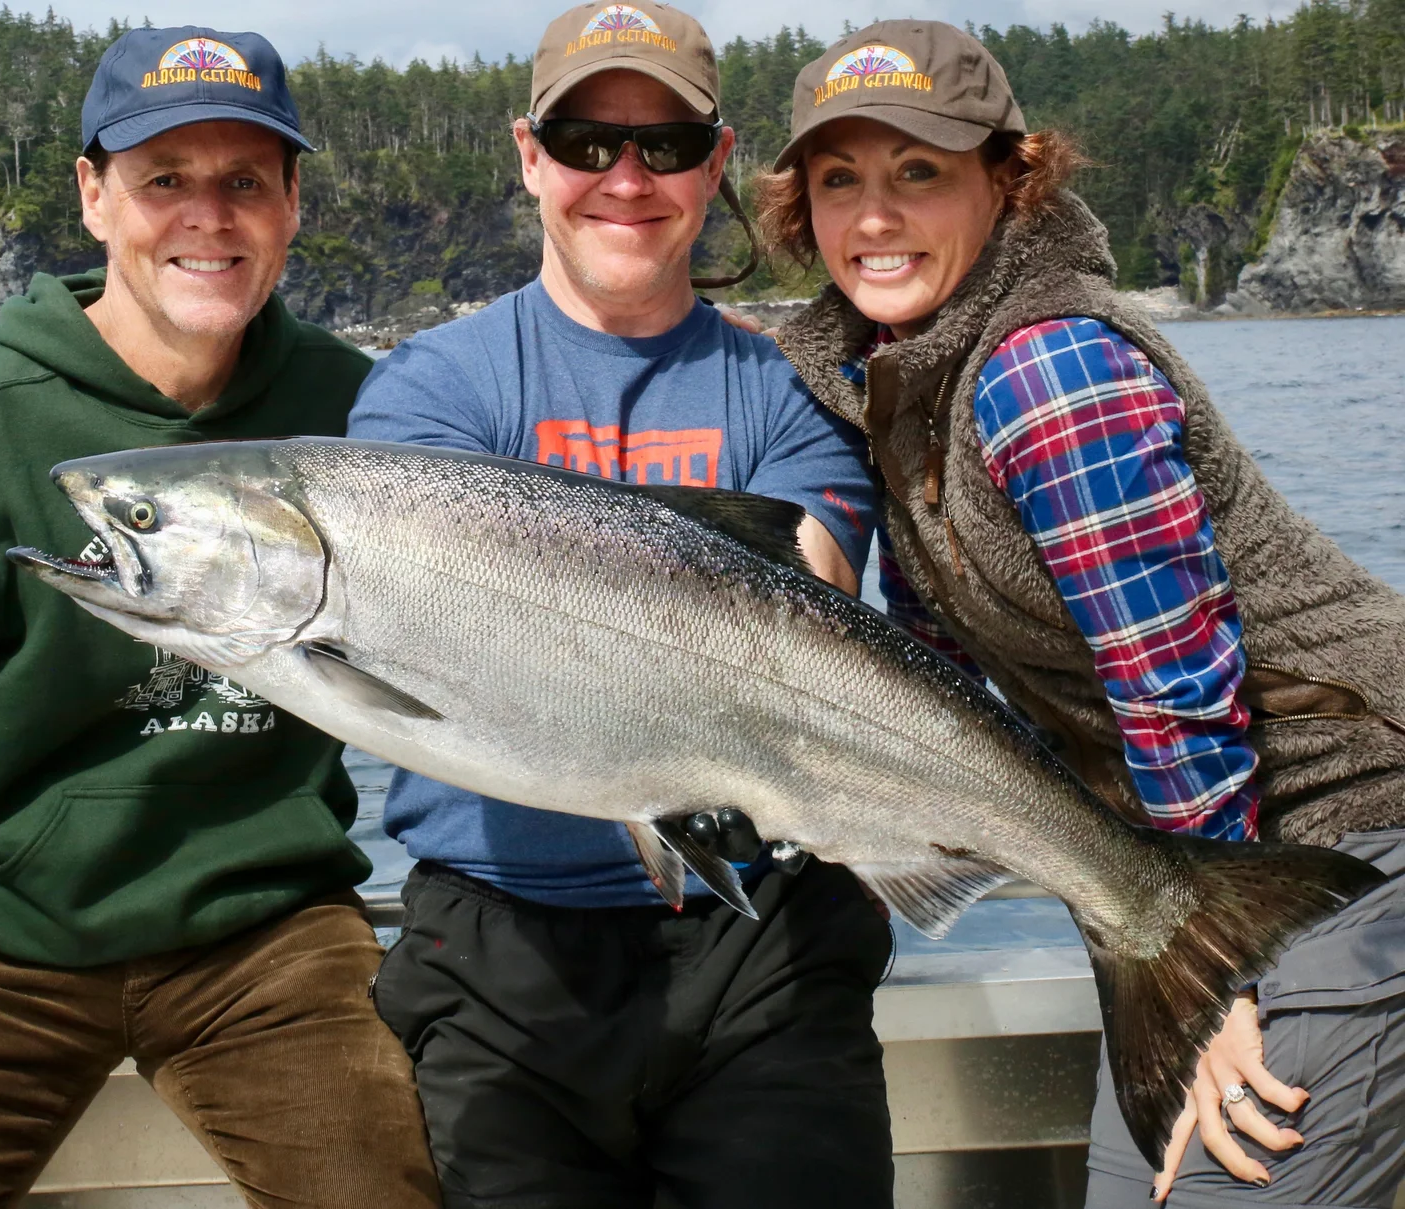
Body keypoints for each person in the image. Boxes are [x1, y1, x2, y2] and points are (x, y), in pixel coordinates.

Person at [747, 17, 1405, 1207]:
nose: (874, 216)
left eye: (918, 174)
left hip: (1348, 823)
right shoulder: (895, 383)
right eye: (838, 180)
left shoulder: (1048, 374)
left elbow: (1174, 691)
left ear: (1010, 180)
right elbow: (941, 676)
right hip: (1187, 870)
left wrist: (1215, 979)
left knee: (1215, 1186)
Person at [0, 25, 439, 1209]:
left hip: (269, 936)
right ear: (94, 197)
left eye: (244, 180)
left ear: (293, 203)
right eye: (163, 180)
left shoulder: (366, 415)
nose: (208, 215)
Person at [345, 4, 895, 1206]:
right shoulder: (426, 394)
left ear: (718, 162)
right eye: (588, 142)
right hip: (499, 955)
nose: (627, 179)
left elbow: (814, 610)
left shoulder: (793, 395)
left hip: (765, 943)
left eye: (667, 145)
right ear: (529, 155)